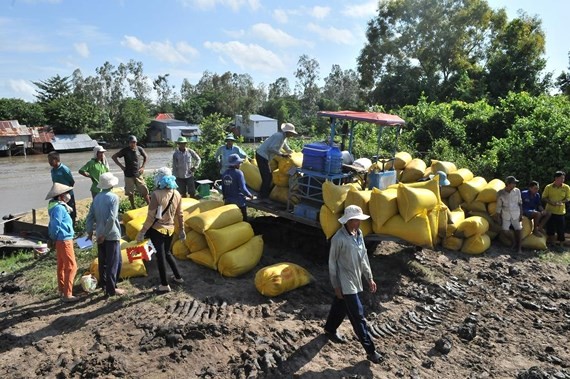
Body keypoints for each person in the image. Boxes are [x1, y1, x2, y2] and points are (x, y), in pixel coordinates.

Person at [323, 205, 383, 364]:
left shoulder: (359, 234)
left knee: (340, 305)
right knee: (358, 316)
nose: (358, 223)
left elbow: (363, 257)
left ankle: (329, 329)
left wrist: (369, 278)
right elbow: (332, 264)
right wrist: (336, 286)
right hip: (345, 281)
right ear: (348, 221)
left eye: (359, 220)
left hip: (355, 278)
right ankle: (371, 351)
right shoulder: (338, 238)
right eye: (355, 220)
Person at [137, 167, 185, 293]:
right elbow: (180, 214)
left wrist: (142, 232)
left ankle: (164, 285)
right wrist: (182, 230)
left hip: (157, 230)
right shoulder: (177, 193)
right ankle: (178, 277)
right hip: (170, 229)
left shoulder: (156, 194)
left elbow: (150, 217)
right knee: (168, 253)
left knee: (160, 256)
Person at [85, 172, 125, 297]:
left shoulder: (97, 197)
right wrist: (106, 234)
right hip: (111, 234)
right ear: (112, 185)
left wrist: (90, 232)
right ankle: (111, 289)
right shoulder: (113, 197)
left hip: (99, 233)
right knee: (115, 262)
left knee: (103, 261)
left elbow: (90, 216)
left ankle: (104, 284)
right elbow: (112, 218)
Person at [46, 182, 79, 303]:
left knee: (62, 265)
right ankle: (67, 294)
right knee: (71, 267)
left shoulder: (57, 206)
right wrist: (53, 237)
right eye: (66, 193)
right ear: (60, 196)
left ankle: (62, 290)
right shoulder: (59, 208)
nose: (68, 195)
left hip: (61, 240)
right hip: (64, 240)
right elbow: (55, 225)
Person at [255, 122, 297, 199]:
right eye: (291, 133)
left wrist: (293, 153)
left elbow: (285, 147)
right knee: (267, 177)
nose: (292, 135)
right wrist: (281, 154)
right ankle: (262, 196)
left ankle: (263, 195)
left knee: (268, 177)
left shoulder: (283, 137)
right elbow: (271, 148)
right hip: (262, 155)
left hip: (264, 156)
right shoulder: (279, 136)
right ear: (287, 132)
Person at [112, 135, 150, 209]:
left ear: (136, 142)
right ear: (128, 143)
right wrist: (122, 167)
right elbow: (114, 157)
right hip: (128, 174)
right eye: (131, 142)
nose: (132, 144)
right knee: (130, 193)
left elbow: (146, 156)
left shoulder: (139, 149)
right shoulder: (125, 150)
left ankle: (150, 205)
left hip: (138, 174)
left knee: (144, 190)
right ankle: (133, 207)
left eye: (134, 142)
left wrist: (143, 167)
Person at [495, 176, 523, 254]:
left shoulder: (517, 191)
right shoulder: (501, 193)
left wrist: (521, 214)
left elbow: (520, 203)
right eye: (513, 183)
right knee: (505, 230)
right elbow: (499, 206)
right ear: (508, 184)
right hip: (506, 214)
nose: (515, 185)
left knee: (519, 230)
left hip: (516, 213)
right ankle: (514, 241)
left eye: (515, 183)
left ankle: (519, 248)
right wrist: (498, 217)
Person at [542, 171, 570, 246]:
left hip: (560, 211)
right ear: (556, 178)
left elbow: (568, 198)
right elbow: (544, 197)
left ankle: (561, 245)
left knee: (561, 229)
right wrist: (551, 202)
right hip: (550, 211)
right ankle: (552, 243)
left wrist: (562, 201)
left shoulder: (566, 187)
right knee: (550, 228)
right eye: (561, 178)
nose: (562, 180)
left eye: (563, 178)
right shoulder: (548, 187)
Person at [48, 151, 76, 225]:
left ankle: (72, 227)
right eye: (48, 160)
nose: (49, 162)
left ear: (57, 160)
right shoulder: (52, 170)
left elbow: (72, 182)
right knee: (59, 211)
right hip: (57, 194)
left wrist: (66, 192)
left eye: (51, 160)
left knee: (71, 212)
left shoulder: (64, 169)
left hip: (67, 194)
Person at [222, 154, 253, 221]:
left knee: (231, 221)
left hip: (228, 202)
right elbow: (243, 189)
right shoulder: (239, 173)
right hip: (239, 202)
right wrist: (250, 196)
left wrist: (225, 197)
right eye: (239, 163)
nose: (240, 164)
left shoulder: (225, 173)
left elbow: (223, 188)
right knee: (243, 221)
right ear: (236, 164)